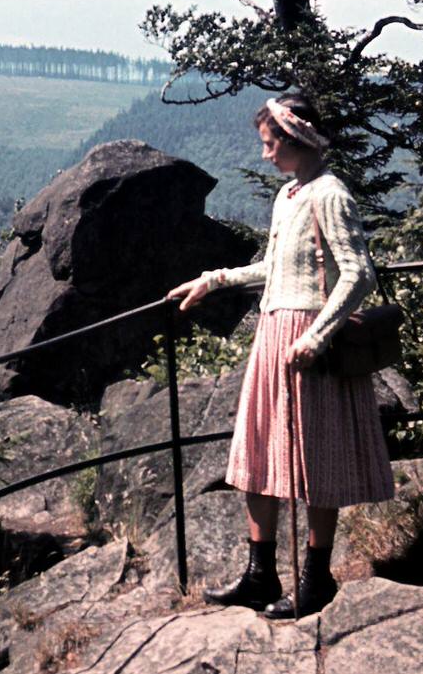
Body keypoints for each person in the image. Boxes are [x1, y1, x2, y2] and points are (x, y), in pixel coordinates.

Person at [167, 94, 394, 619]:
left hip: (309, 342)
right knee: (257, 453)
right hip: (273, 334)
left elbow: (360, 274)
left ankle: (316, 582)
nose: (266, 155)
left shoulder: (330, 195)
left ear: (297, 141)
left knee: (318, 461)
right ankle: (260, 575)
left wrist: (317, 336)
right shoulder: (290, 194)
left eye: (271, 145)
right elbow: (275, 266)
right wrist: (215, 279)